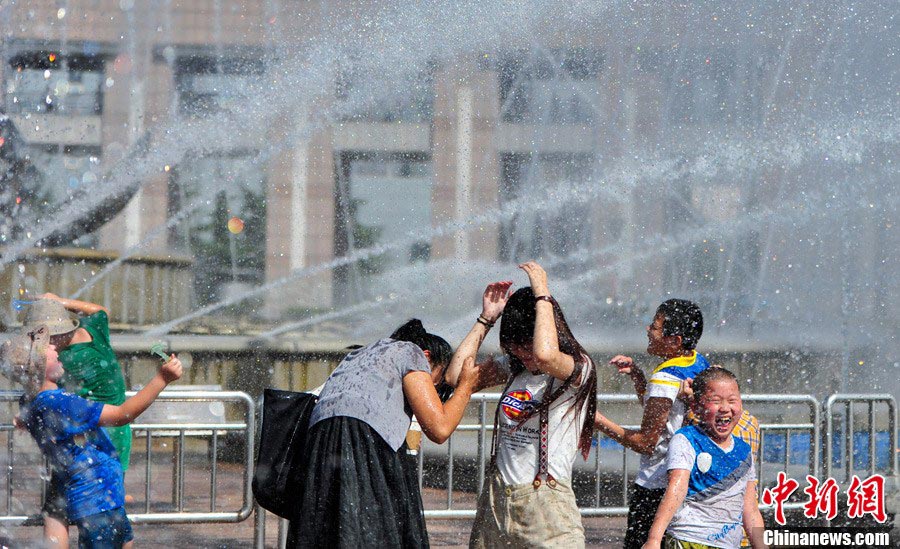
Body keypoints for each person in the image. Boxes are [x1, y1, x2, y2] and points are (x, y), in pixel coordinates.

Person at [288, 318, 487, 548]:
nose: (433, 390)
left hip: (321, 446)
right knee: (378, 531)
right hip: (364, 443)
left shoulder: (363, 355)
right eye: (437, 380)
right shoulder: (412, 353)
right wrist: (466, 387)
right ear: (428, 356)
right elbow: (439, 428)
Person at [0, 325, 183, 548]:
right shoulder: (59, 403)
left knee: (126, 542)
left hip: (102, 494)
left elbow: (28, 411)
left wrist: (23, 418)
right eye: (46, 348)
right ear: (37, 366)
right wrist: (162, 379)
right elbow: (121, 414)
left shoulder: (34, 401)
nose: (54, 348)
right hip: (96, 497)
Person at [460, 262, 598, 549]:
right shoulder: (514, 369)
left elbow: (546, 355)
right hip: (497, 505)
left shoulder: (577, 369)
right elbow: (457, 376)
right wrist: (486, 319)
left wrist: (542, 294)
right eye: (516, 348)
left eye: (527, 345)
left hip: (547, 512)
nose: (526, 355)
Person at [593, 298, 709, 548]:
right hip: (688, 479)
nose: (648, 329)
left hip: (656, 484)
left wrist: (598, 420)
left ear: (674, 340)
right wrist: (637, 376)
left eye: (654, 326)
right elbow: (664, 410)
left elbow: (647, 443)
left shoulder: (665, 376)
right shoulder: (696, 362)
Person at [22, 294, 131, 548]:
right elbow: (101, 309)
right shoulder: (95, 332)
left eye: (40, 339)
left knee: (60, 507)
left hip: (88, 437)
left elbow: (40, 389)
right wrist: (60, 300)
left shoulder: (61, 360)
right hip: (117, 434)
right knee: (111, 507)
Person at [641, 367, 766, 549]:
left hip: (729, 544)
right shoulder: (687, 439)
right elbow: (677, 488)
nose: (725, 408)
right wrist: (653, 539)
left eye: (732, 401)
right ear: (696, 407)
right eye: (715, 401)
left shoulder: (743, 450)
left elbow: (750, 508)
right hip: (689, 540)